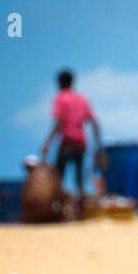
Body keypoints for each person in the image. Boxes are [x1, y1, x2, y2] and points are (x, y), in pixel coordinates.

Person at [41, 69, 101, 214]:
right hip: (81, 142)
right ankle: (82, 210)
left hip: (67, 141)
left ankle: (58, 210)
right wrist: (98, 143)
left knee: (58, 177)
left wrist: (47, 143)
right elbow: (93, 121)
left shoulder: (60, 98)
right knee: (79, 177)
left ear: (59, 83)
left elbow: (59, 121)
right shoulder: (81, 99)